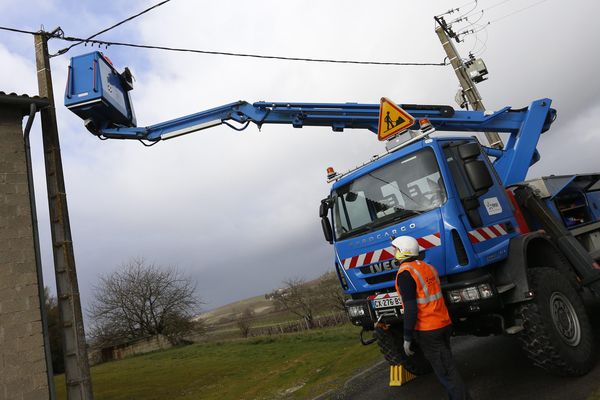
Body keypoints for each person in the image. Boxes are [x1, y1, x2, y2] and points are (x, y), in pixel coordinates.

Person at [392, 235, 472, 400]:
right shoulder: (428, 267)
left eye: (395, 249)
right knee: (447, 366)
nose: (394, 252)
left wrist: (407, 337)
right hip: (443, 324)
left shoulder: (406, 274)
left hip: (429, 330)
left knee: (446, 373)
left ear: (402, 252)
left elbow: (411, 308)